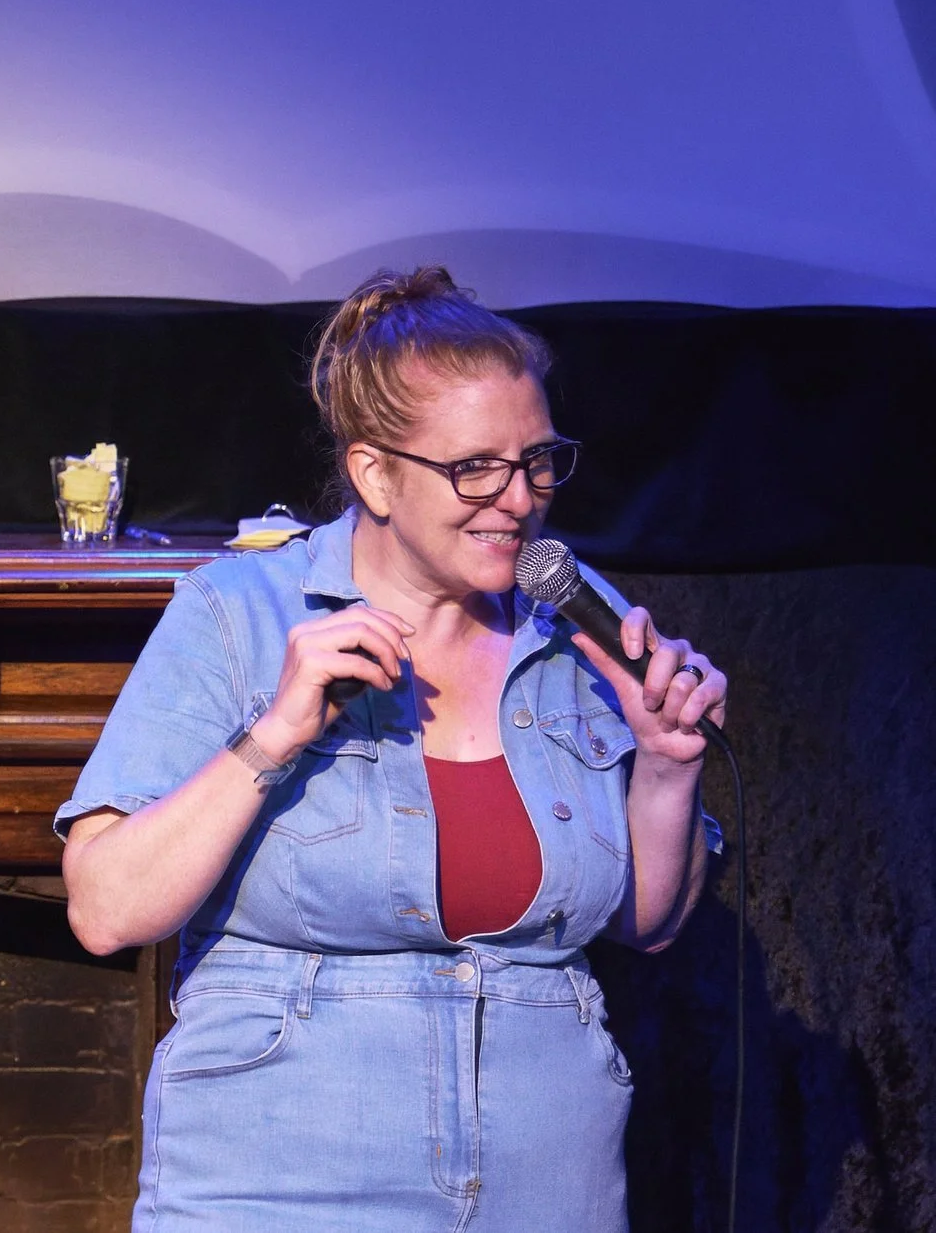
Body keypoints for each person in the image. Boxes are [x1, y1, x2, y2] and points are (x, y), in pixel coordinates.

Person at [58, 267, 725, 1230]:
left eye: (537, 462)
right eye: (474, 469)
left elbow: (649, 924)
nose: (517, 499)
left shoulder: (580, 621)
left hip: (542, 1169)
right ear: (374, 474)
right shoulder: (237, 615)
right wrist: (276, 734)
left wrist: (667, 766)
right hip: (280, 1164)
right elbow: (106, 911)